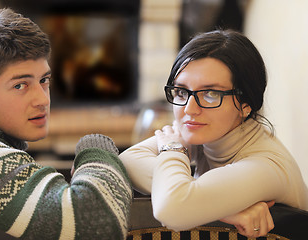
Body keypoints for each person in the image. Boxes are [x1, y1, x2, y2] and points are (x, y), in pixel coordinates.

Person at [0, 8, 132, 240]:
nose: (43, 100)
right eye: (20, 85)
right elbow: (96, 225)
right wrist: (94, 148)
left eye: (43, 80)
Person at [119, 29, 308, 238]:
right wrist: (216, 206)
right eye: (182, 91)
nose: (189, 109)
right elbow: (126, 161)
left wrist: (174, 151)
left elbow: (171, 209)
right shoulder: (206, 129)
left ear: (246, 105)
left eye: (210, 94)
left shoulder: (265, 165)